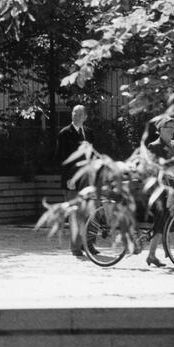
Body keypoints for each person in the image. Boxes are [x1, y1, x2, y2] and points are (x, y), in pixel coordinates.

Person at [144, 117, 174, 268]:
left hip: (173, 189)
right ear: (160, 130)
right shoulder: (154, 146)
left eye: (172, 127)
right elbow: (152, 169)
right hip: (160, 190)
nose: (171, 130)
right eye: (168, 127)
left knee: (167, 222)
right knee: (166, 222)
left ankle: (152, 255)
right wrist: (166, 174)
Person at [56, 104, 95, 259]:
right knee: (75, 216)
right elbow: (62, 158)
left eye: (80, 114)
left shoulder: (89, 133)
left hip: (87, 180)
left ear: (85, 117)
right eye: (74, 113)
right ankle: (75, 247)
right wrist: (69, 178)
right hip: (72, 180)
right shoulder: (64, 133)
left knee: (89, 214)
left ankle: (88, 245)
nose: (77, 116)